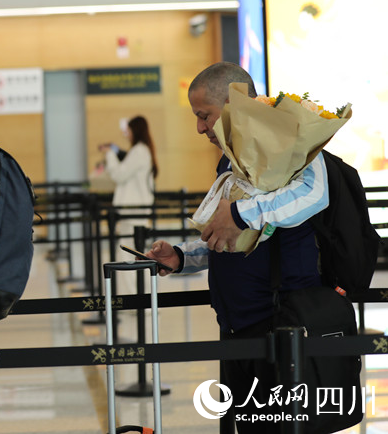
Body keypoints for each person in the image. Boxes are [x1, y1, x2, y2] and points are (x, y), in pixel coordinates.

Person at [145, 61, 329, 433]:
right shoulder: (228, 161)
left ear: (233, 104)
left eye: (204, 116)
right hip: (235, 329)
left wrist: (244, 214)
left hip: (281, 328)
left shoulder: (292, 144)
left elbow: (314, 195)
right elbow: (225, 235)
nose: (199, 127)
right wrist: (182, 256)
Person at [103, 115, 158, 296]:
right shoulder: (141, 151)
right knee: (136, 254)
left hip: (132, 212)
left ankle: (140, 300)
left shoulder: (139, 151)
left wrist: (110, 154)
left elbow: (119, 174)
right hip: (135, 212)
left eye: (129, 131)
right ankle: (142, 299)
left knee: (131, 256)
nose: (127, 135)